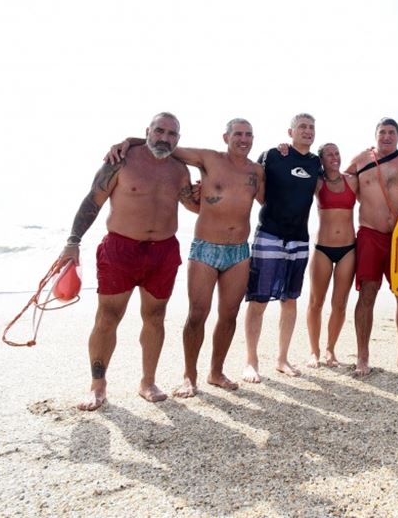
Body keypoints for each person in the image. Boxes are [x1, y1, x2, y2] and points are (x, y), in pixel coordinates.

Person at [106, 119, 265, 395]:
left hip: (239, 251)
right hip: (205, 248)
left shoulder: (257, 171)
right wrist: (129, 142)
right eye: (237, 134)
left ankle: (216, 373)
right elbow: (166, 146)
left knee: (229, 315)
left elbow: (270, 203)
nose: (243, 139)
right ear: (225, 136)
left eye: (248, 134)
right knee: (197, 315)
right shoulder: (207, 158)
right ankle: (189, 377)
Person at [62, 112, 196, 411]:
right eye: (159, 131)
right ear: (147, 131)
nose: (164, 138)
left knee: (156, 317)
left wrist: (206, 196)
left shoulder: (180, 170)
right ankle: (98, 385)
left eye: (172, 134)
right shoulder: (122, 160)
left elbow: (191, 204)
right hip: (120, 249)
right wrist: (73, 242)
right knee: (108, 317)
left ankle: (147, 381)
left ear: (178, 139)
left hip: (163, 251)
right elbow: (92, 201)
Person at [345, 118, 398, 376]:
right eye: (382, 132)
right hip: (370, 234)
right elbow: (337, 180)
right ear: (376, 135)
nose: (386, 136)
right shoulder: (361, 159)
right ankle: (362, 356)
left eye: (391, 132)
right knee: (367, 293)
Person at [243, 113, 321, 383]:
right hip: (269, 235)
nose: (307, 131)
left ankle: (281, 359)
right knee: (259, 300)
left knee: (290, 300)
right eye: (302, 127)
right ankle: (251, 361)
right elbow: (252, 182)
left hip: (299, 238)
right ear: (290, 132)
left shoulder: (316, 162)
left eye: (311, 127)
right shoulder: (274, 156)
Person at [305, 143, 359, 368]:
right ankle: (314, 351)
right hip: (322, 248)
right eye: (329, 154)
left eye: (337, 153)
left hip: (348, 248)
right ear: (322, 159)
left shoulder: (352, 180)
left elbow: (367, 164)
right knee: (316, 302)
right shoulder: (317, 183)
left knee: (340, 303)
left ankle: (330, 350)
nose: (335, 157)